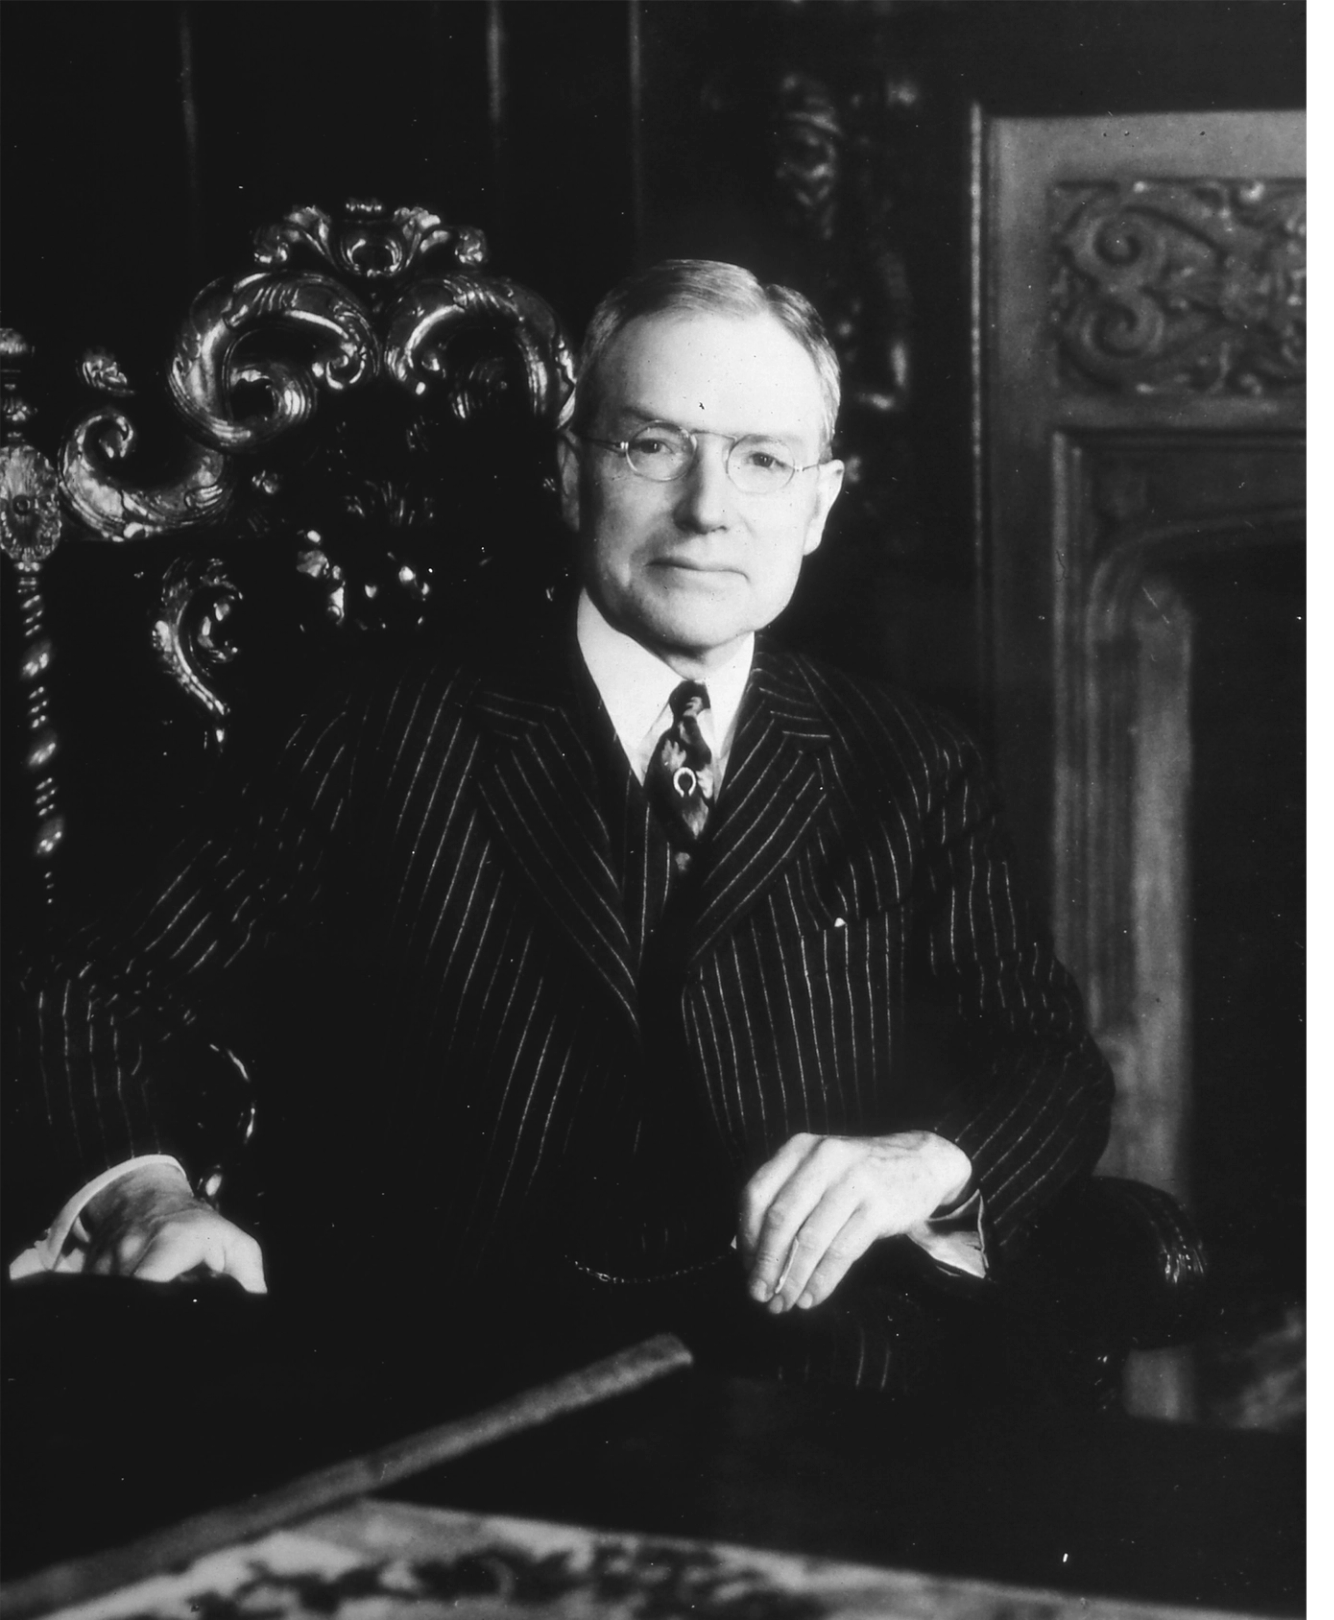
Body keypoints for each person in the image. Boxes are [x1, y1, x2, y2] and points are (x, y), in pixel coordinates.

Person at [1, 261, 1112, 1391]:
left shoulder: (911, 764)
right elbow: (82, 981)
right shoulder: (384, 731)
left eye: (764, 461)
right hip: (435, 1380)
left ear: (818, 505)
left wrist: (930, 1160)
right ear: (573, 472)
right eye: (654, 445)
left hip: (816, 1388)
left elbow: (1045, 1056)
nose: (709, 508)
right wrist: (144, 1191)